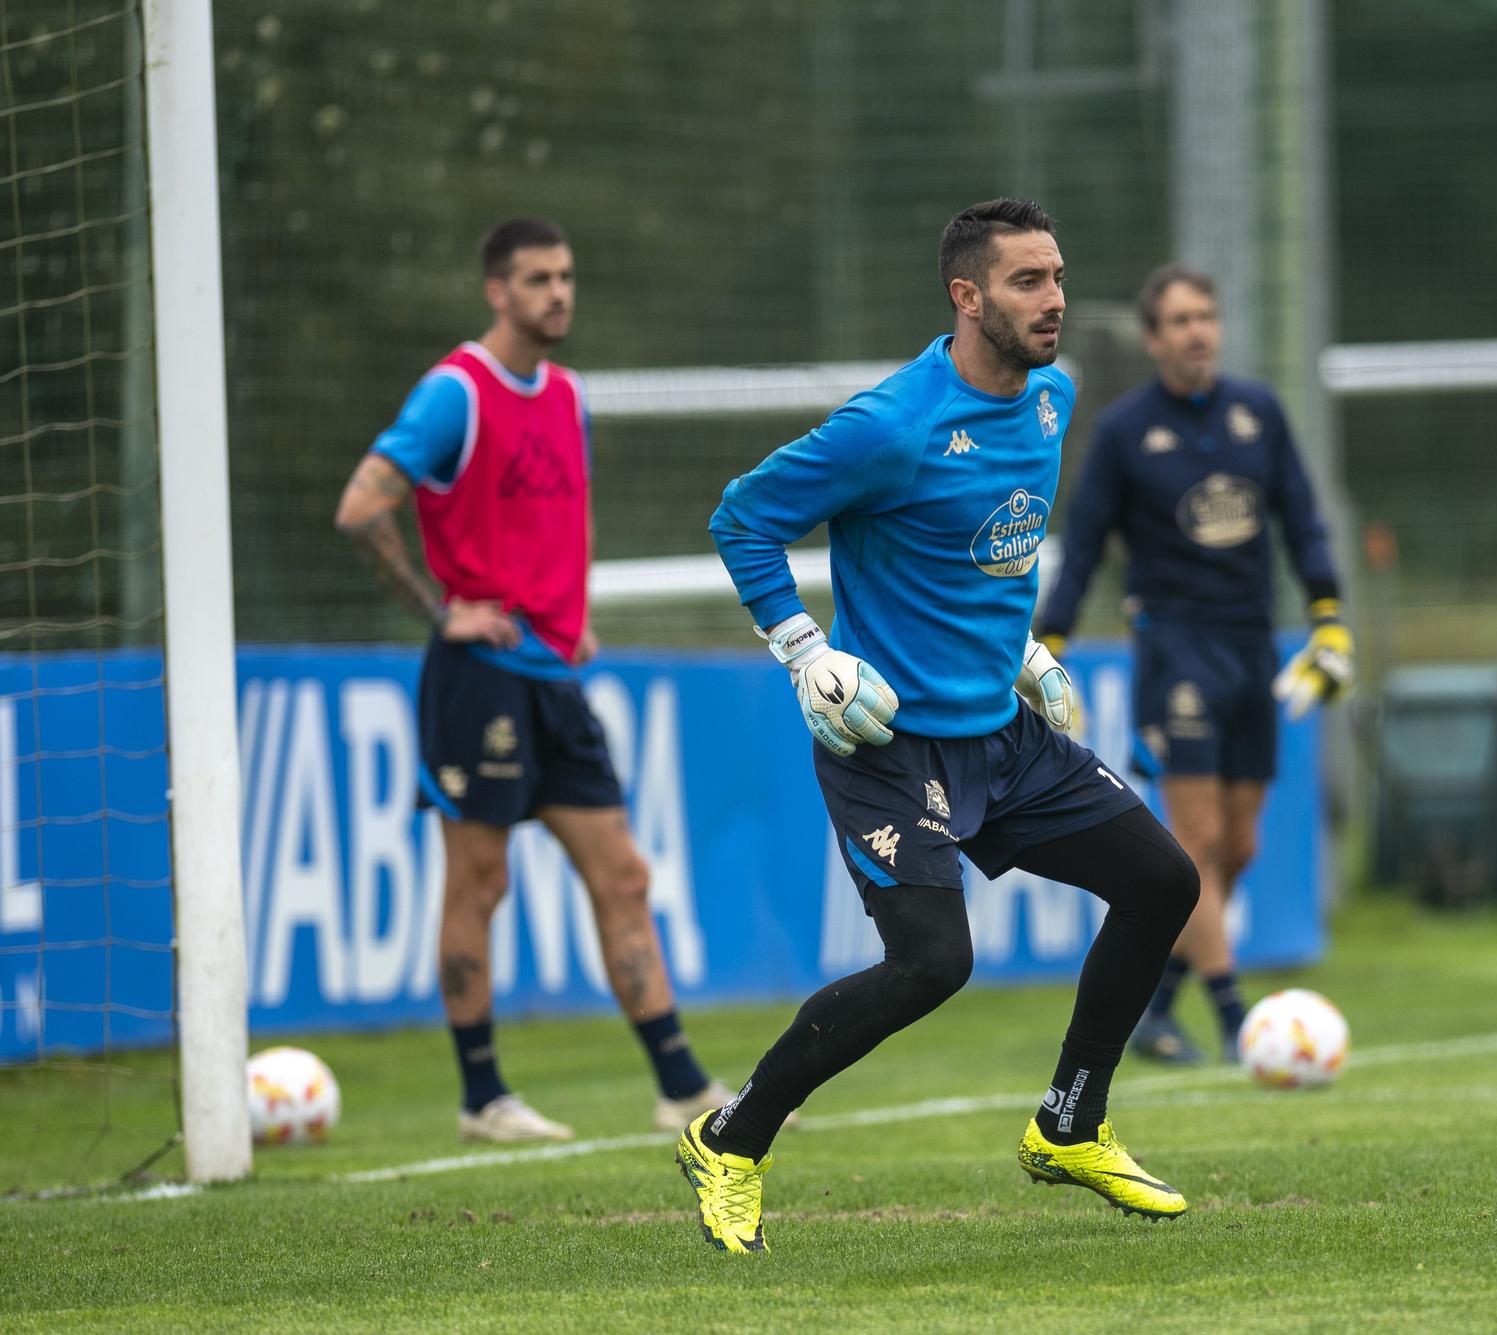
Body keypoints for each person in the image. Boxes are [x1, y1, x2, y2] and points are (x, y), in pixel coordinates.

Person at [680, 199, 1201, 1254]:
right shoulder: (891, 423)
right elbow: (742, 515)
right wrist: (803, 651)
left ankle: (1070, 1123)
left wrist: (1019, 652)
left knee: (1162, 882)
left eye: (1055, 276)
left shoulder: (1051, 398)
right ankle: (731, 1137)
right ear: (965, 297)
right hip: (888, 748)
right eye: (1024, 282)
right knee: (930, 963)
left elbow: (979, 553)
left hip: (1001, 740)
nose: (1051, 300)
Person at [333, 217, 734, 1143]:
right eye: (538, 278)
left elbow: (554, 518)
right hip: (477, 676)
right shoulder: (455, 394)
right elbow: (362, 508)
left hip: (554, 675)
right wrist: (442, 612)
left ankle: (681, 1084)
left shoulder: (566, 394)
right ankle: (483, 1097)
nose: (559, 292)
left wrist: (570, 614)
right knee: (480, 881)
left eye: (566, 275)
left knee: (623, 875)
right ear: (496, 292)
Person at [1035, 262, 1353, 1066]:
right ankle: (1240, 1016)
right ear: (1152, 339)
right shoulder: (1125, 432)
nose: (1197, 331)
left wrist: (1328, 617)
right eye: (1179, 320)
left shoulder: (1259, 414)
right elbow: (1085, 544)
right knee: (1197, 838)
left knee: (1238, 847)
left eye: (1205, 315)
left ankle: (1157, 1007)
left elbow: (1304, 521)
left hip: (1254, 644)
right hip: (1176, 647)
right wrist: (1053, 642)